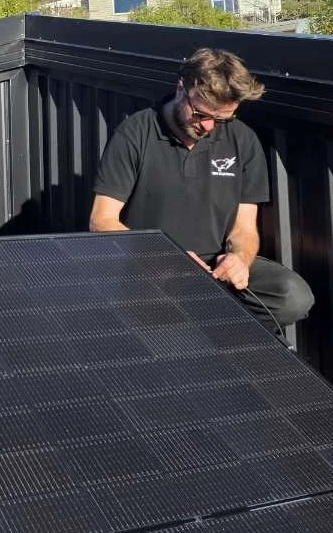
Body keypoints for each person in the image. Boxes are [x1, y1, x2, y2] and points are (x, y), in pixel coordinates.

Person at [90, 47, 314, 332]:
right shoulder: (135, 132)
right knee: (166, 319)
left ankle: (209, 328)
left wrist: (239, 258)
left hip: (215, 269)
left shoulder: (243, 140)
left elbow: (244, 229)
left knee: (292, 296)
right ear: (180, 88)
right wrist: (166, 255)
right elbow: (101, 221)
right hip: (153, 268)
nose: (209, 126)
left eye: (222, 119)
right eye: (200, 114)